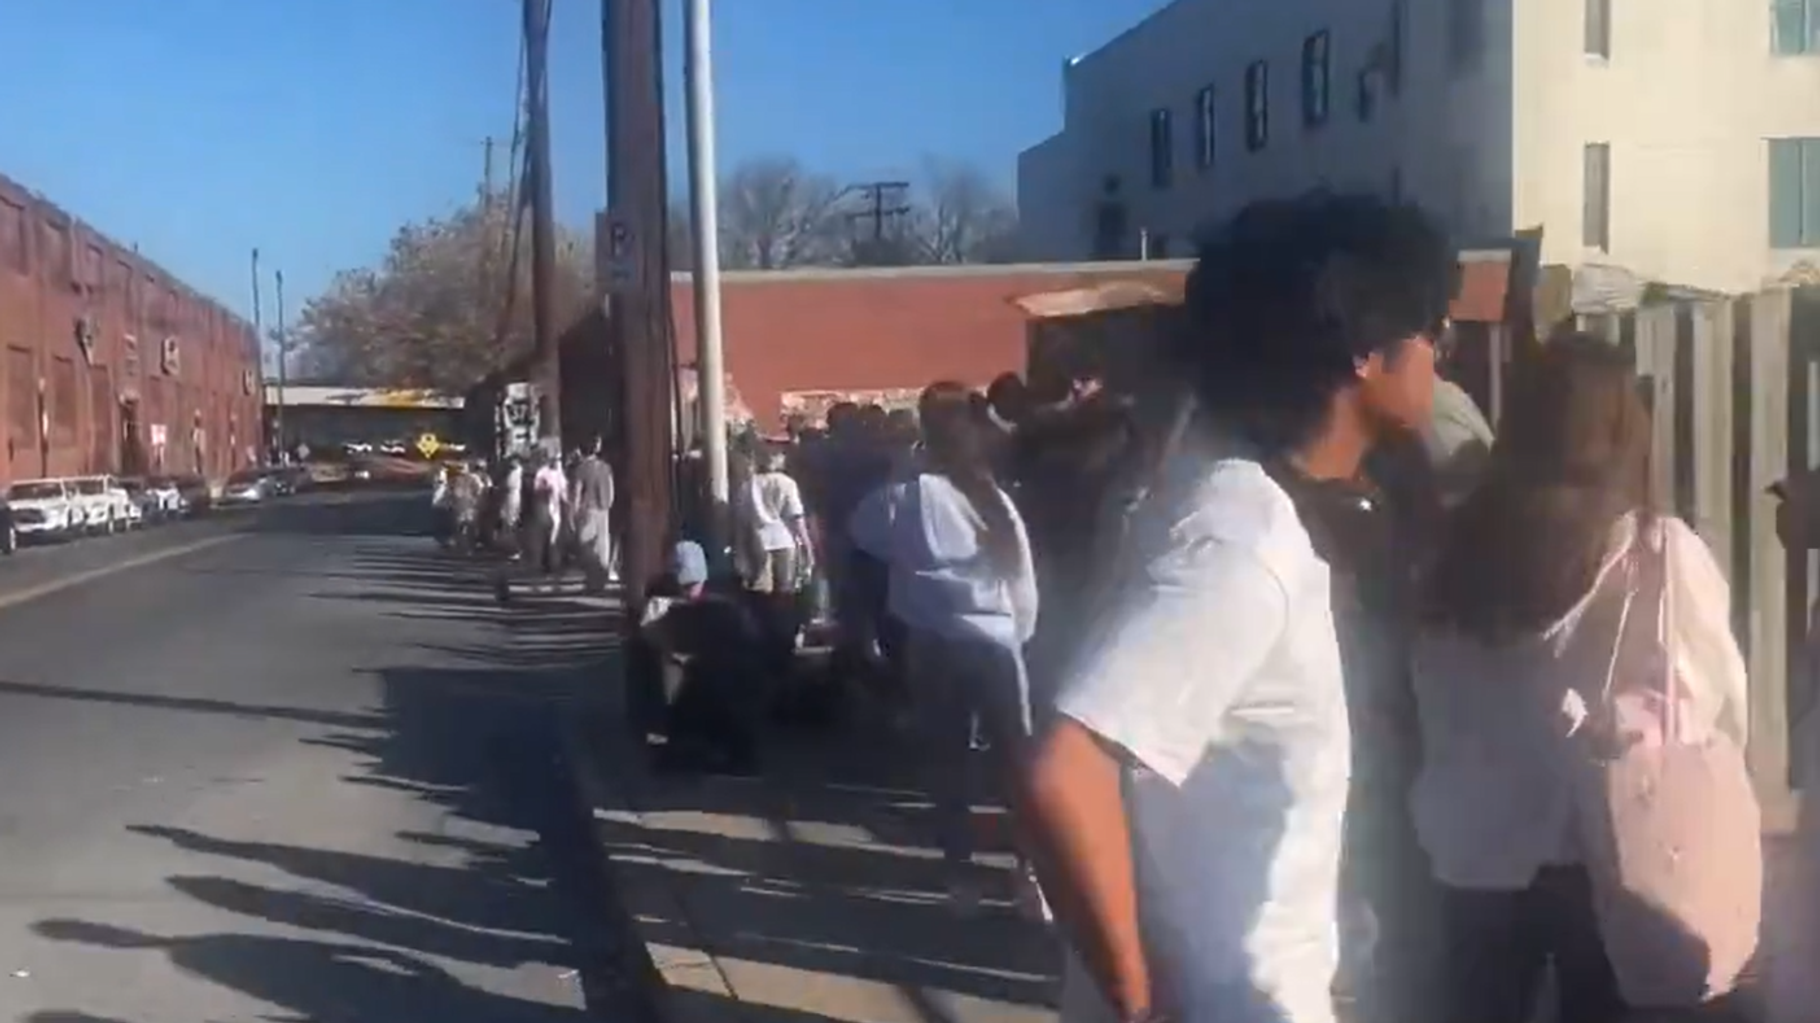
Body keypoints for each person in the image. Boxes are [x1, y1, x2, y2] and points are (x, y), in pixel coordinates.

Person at [1019, 192, 1452, 1023]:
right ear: (1366, 348)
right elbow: (1066, 770)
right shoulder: (1242, 541)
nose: (1440, 357)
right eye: (1435, 332)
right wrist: (1139, 998)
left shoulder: (1215, 494)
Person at [1413, 334, 1757, 1022]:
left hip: (1472, 850)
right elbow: (1713, 701)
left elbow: (1429, 688)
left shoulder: (1451, 552)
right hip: (1609, 854)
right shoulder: (1657, 555)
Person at [848, 381, 1042, 916]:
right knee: (1014, 765)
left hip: (934, 642)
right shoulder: (994, 500)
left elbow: (861, 530)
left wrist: (901, 468)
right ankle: (1030, 877)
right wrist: (1015, 634)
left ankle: (961, 879)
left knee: (948, 764)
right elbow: (1024, 585)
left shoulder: (906, 496)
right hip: (997, 641)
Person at [628, 540, 767, 775]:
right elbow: (650, 637)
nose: (688, 590)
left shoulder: (724, 601)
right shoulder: (662, 600)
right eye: (682, 584)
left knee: (724, 691)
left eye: (692, 583)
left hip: (727, 670)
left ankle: (731, 752)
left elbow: (749, 639)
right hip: (692, 670)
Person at [570, 437, 617, 592]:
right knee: (603, 546)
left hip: (588, 509)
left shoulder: (581, 468)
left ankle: (592, 580)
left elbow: (577, 492)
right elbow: (611, 489)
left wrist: (573, 513)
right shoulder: (606, 467)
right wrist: (608, 505)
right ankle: (601, 580)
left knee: (587, 547)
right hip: (604, 511)